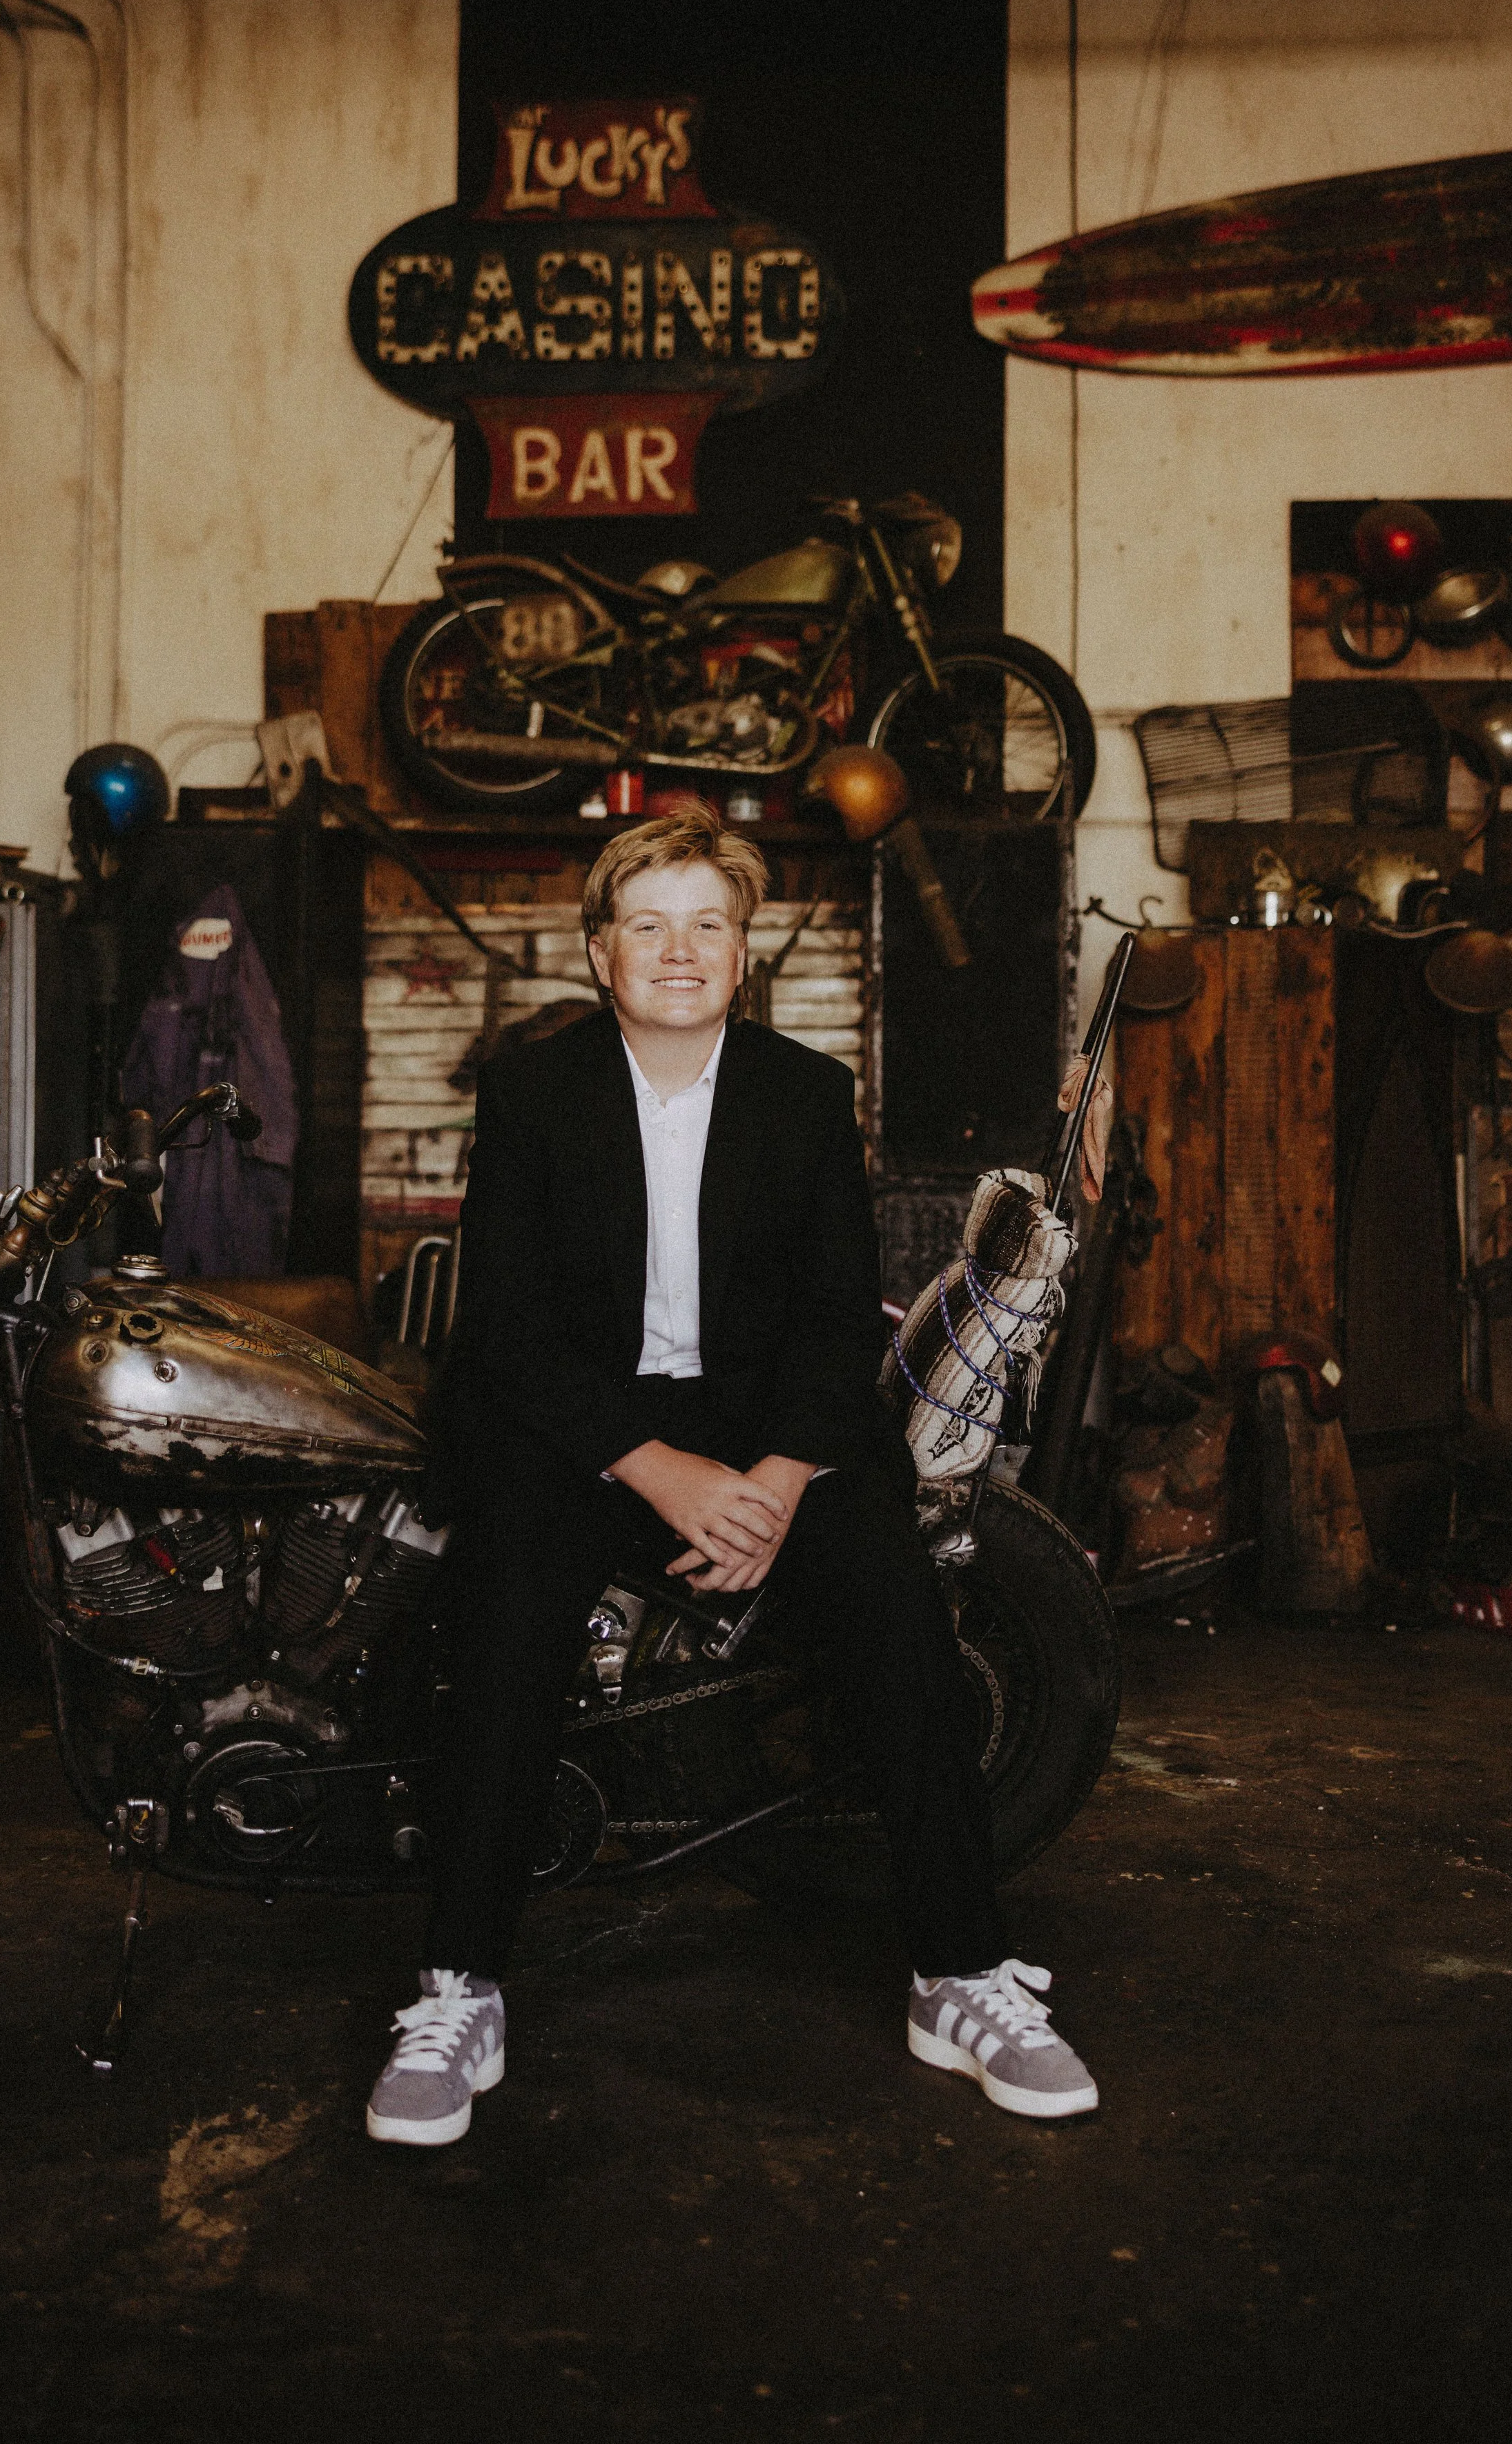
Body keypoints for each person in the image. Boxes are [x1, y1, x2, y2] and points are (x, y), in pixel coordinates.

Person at [367, 805, 1097, 2146]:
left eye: (707, 923)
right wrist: (665, 1476)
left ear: (742, 953)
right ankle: (458, 1986)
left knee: (895, 1604)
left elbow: (833, 1316)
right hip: (582, 1431)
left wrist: (769, 1481)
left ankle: (961, 1973)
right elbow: (508, 1333)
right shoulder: (533, 1092)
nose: (679, 949)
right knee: (505, 1614)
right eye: (648, 926)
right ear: (600, 954)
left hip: (771, 1431)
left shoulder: (803, 1093)